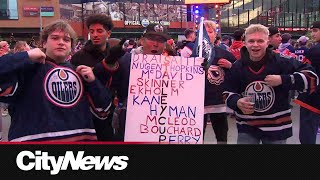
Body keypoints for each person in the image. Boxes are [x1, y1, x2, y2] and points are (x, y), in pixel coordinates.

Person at [0, 20, 113, 142]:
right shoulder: (27, 69)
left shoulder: (81, 73)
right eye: (55, 38)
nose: (61, 43)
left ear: (71, 46)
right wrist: (25, 56)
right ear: (44, 43)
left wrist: (93, 82)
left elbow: (104, 111)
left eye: (66, 40)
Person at [224, 24, 318, 144]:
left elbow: (313, 78)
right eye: (251, 41)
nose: (255, 45)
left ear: (267, 41)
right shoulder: (237, 66)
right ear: (245, 42)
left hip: (277, 128)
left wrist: (283, 80)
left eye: (260, 41)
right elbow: (226, 92)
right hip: (247, 127)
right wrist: (236, 102)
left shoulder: (282, 61)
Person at [94, 23, 171, 141]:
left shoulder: (173, 65)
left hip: (161, 121)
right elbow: (99, 77)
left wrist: (200, 70)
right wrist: (109, 61)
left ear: (165, 44)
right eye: (151, 39)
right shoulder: (126, 60)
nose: (155, 44)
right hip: (129, 121)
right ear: (142, 40)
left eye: (160, 40)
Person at [71, 14, 116, 141]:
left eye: (99, 31)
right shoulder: (79, 57)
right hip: (87, 115)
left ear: (109, 34)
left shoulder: (115, 55)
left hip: (111, 114)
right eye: (92, 31)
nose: (95, 34)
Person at [192, 20, 237, 144]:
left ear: (215, 34)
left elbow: (238, 73)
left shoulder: (225, 54)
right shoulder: (192, 54)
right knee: (197, 134)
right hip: (198, 102)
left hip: (219, 101)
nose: (207, 35)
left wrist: (231, 66)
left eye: (210, 32)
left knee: (221, 133)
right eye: (203, 32)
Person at [295, 21, 320, 144]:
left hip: (312, 96)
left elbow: (304, 72)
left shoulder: (315, 50)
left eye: (315, 30)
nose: (312, 33)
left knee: (307, 136)